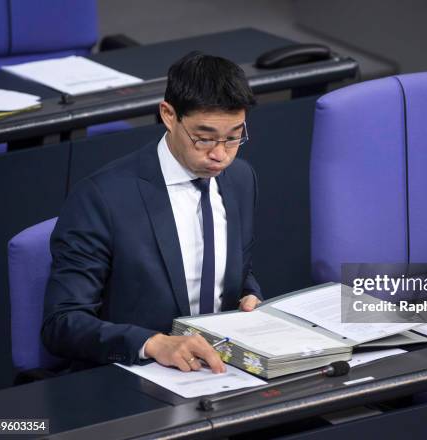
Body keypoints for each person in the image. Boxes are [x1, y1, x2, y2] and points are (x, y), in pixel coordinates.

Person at [42, 52, 262, 374]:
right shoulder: (102, 197)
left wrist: (249, 295)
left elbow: (238, 271)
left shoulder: (241, 179)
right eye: (204, 138)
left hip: (218, 370)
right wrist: (153, 343)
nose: (220, 155)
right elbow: (62, 324)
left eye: (233, 138)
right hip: (132, 376)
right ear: (169, 115)